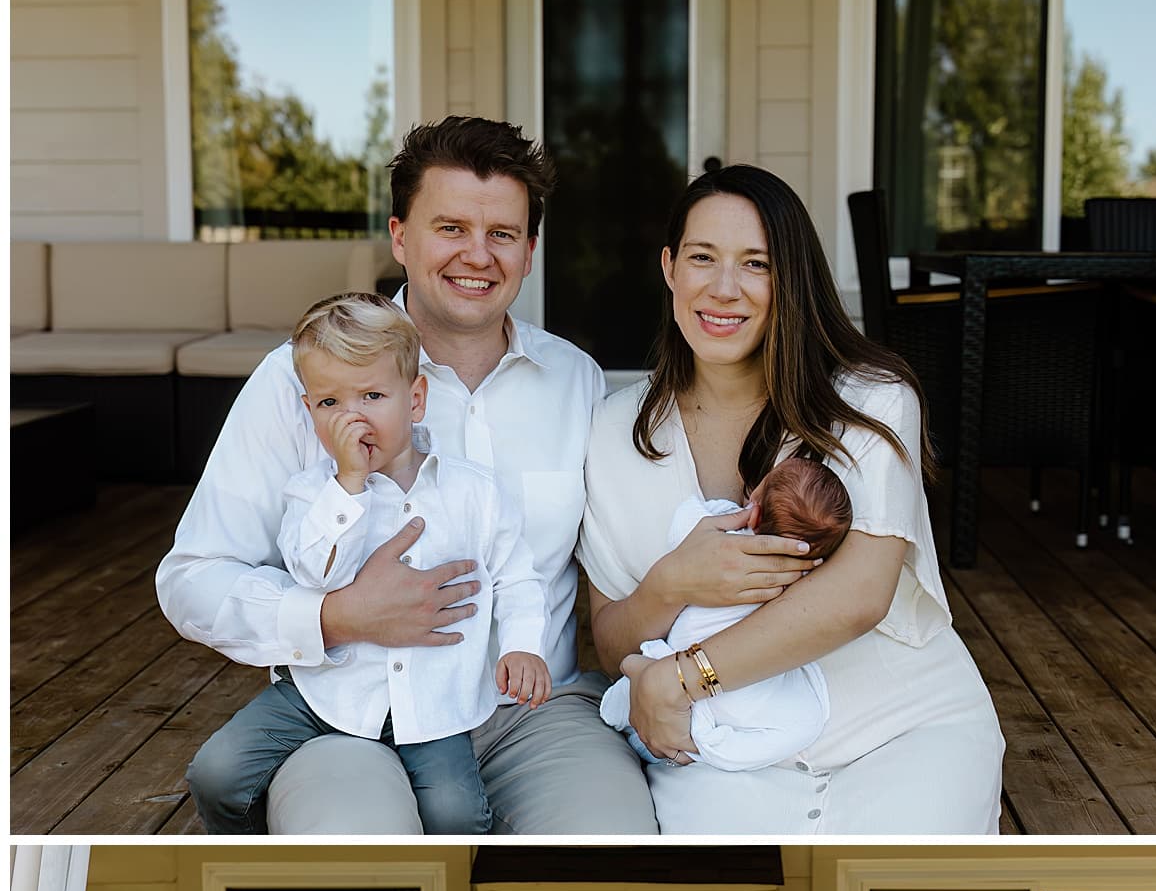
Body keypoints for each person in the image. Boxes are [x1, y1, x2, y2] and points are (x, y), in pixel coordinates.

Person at [157, 116, 658, 836]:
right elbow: (192, 576)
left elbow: (621, 555)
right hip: (351, 715)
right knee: (360, 863)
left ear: (530, 250)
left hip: (531, 715)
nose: (477, 256)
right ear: (400, 236)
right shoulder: (302, 381)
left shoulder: (575, 381)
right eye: (449, 227)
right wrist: (333, 617)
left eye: (502, 234)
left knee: (612, 849)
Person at [580, 163, 1005, 835]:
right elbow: (612, 641)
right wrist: (674, 581)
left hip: (902, 725)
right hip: (718, 754)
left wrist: (682, 678)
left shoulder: (869, 400)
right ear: (668, 268)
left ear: (792, 279)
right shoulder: (614, 433)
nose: (725, 288)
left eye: (757, 264)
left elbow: (858, 596)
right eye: (702, 258)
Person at [186, 295, 549, 834]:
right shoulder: (311, 495)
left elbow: (516, 578)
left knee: (455, 815)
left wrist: (523, 646)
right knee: (215, 772)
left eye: (373, 395)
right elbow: (315, 576)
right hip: (326, 694)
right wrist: (348, 489)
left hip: (436, 702)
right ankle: (252, 862)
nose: (352, 417)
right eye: (330, 403)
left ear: (416, 399)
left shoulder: (474, 492)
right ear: (310, 413)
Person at [600, 455, 851, 784]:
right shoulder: (802, 578)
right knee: (808, 719)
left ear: (756, 509)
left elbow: (683, 529)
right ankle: (705, 744)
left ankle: (639, 687)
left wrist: (721, 511)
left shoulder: (719, 525)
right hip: (740, 680)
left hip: (682, 650)